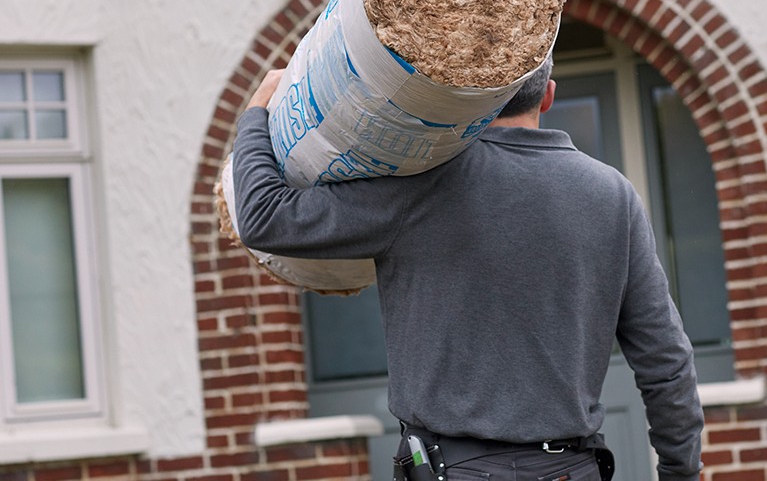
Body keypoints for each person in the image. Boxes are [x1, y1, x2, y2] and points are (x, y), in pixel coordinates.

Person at [232, 58, 704, 481]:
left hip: (453, 470)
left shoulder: (420, 183)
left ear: (470, 91)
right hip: (570, 469)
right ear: (549, 94)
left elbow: (264, 217)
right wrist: (680, 471)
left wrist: (257, 111)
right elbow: (666, 362)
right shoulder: (613, 197)